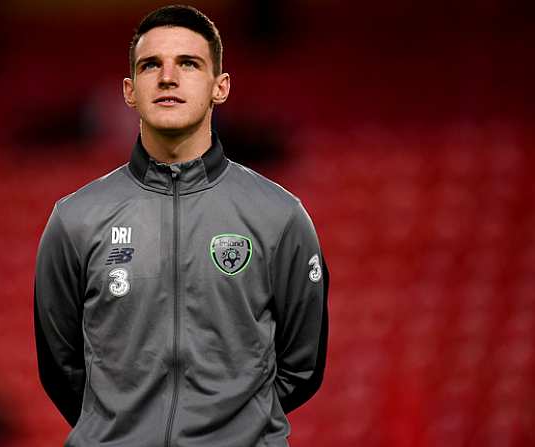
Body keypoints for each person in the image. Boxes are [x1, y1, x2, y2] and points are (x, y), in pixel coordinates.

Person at [33, 5, 328, 446]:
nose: (168, 77)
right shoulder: (75, 220)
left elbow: (303, 367)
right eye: (152, 65)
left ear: (220, 87)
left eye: (188, 63)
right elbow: (62, 369)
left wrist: (233, 429)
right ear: (130, 91)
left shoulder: (279, 216)